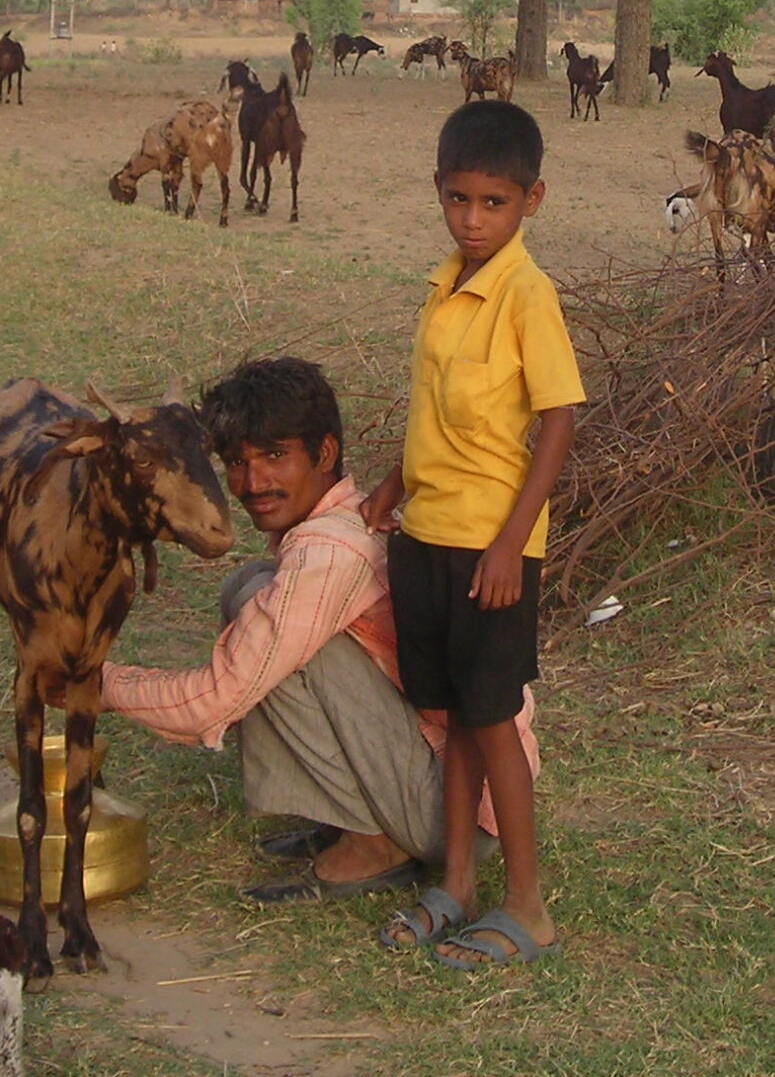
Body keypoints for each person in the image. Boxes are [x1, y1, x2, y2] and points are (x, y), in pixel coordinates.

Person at [100, 357, 533, 903]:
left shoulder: (330, 551)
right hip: (441, 782)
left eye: (276, 456)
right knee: (252, 589)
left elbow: (214, 701)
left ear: (324, 454)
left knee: (273, 646)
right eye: (236, 462)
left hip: (454, 815)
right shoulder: (339, 521)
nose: (252, 482)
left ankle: (377, 846)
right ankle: (351, 816)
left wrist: (101, 684)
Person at [362, 98, 583, 971]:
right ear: (440, 193)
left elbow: (558, 419)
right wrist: (393, 483)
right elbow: (435, 413)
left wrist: (509, 543)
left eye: (494, 203)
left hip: (491, 547)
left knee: (492, 723)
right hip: (425, 534)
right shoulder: (443, 282)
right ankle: (454, 883)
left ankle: (527, 907)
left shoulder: (528, 294)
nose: (473, 219)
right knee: (450, 715)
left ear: (532, 201)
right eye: (459, 199)